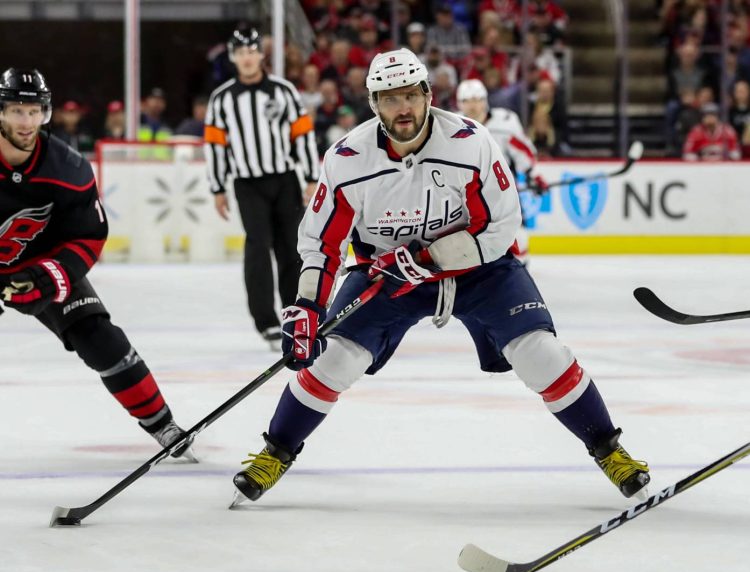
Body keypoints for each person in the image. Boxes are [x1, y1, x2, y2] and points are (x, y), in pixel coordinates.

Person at [230, 48, 650, 505]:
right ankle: (276, 452)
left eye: (411, 95)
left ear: (429, 95)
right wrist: (309, 305)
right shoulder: (347, 159)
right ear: (373, 104)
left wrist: (430, 258)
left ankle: (609, 449)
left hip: (480, 273)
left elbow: (502, 224)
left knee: (540, 354)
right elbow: (321, 243)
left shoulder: (470, 142)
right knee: (333, 360)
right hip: (387, 276)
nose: (403, 108)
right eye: (390, 98)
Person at [0, 68, 195, 460]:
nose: (27, 121)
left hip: (41, 261)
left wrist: (50, 278)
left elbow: (89, 235)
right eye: (17, 110)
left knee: (100, 338)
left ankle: (161, 424)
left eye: (34, 111)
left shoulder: (67, 168)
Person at [204, 28, 319, 349]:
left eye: (252, 51)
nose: (247, 58)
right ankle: (266, 321)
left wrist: (311, 176)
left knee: (290, 248)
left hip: (284, 180)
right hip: (247, 183)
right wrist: (217, 188)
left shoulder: (283, 91)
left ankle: (296, 313)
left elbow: (302, 134)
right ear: (233, 57)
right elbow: (215, 146)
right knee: (257, 248)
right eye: (241, 53)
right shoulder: (222, 99)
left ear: (261, 55)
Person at [456, 79, 548, 264]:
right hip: (464, 194)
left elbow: (523, 151)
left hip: (502, 190)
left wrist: (533, 175)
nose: (473, 105)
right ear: (459, 104)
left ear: (485, 101)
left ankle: (520, 271)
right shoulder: (451, 126)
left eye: (477, 99)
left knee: (517, 234)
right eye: (467, 101)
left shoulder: (505, 123)